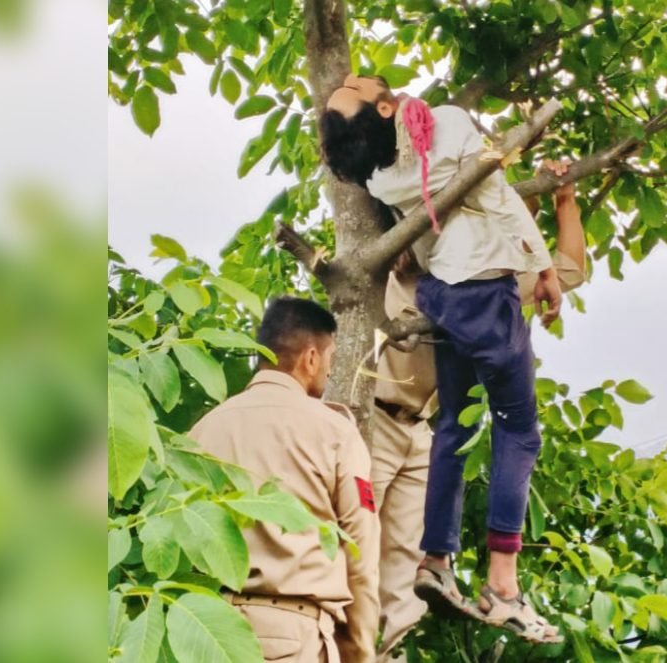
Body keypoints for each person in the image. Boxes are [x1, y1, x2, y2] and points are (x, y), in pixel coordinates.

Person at [321, 75, 565, 644]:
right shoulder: (448, 121)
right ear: (385, 106)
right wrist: (543, 264)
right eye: (362, 86)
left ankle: (437, 560)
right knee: (520, 431)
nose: (361, 76)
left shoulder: (382, 177)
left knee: (457, 424)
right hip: (482, 286)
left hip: (442, 295)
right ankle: (504, 584)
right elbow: (495, 191)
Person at [370, 159, 586, 659]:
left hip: (421, 431)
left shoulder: (497, 279)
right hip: (377, 416)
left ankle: (400, 627)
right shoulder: (419, 257)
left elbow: (567, 264)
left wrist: (565, 200)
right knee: (347, 548)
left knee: (402, 582)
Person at [188, 297, 380, 663]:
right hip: (294, 637)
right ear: (310, 358)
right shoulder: (334, 431)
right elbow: (360, 548)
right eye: (329, 360)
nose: (327, 372)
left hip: (207, 634)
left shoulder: (203, 430)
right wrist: (359, 649)